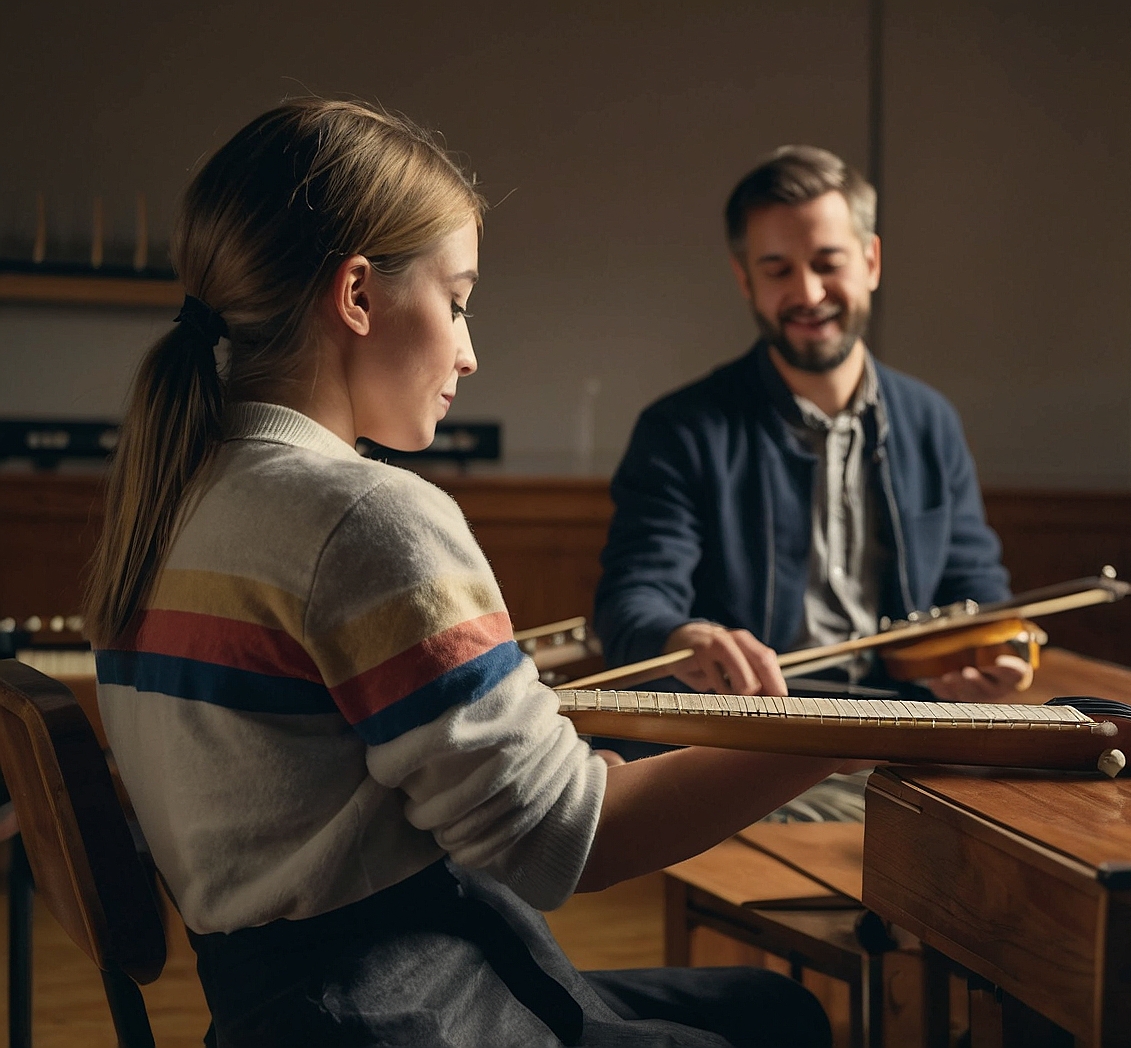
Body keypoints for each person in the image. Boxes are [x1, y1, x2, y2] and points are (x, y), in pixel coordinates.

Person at [84, 101, 852, 1048]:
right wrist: (831, 736)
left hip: (277, 1014)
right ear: (358, 295)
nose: (469, 348)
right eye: (457, 300)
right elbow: (565, 841)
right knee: (779, 1027)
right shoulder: (364, 513)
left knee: (774, 1008)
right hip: (392, 1011)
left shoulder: (173, 496)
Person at [595, 146, 1027, 704]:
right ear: (744, 279)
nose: (808, 294)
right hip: (747, 743)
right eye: (778, 270)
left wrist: (997, 654)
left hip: (907, 734)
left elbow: (977, 590)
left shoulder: (930, 421)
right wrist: (683, 638)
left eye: (828, 263)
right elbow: (632, 602)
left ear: (871, 261)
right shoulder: (678, 431)